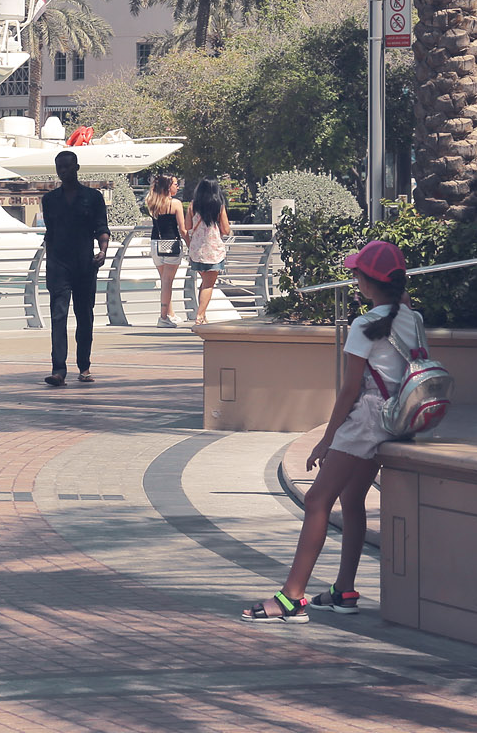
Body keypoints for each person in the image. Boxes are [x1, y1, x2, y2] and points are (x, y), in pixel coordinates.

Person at [243, 239, 424, 623]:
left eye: (357, 272)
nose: (354, 277)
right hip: (399, 418)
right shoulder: (412, 318)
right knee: (352, 499)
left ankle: (291, 597)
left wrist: (327, 439)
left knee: (316, 502)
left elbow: (350, 389)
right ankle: (344, 590)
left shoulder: (364, 325)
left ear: (367, 281)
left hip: (367, 422)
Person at [40, 149, 110, 387]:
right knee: (58, 317)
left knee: (85, 316)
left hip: (85, 264)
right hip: (59, 265)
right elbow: (50, 235)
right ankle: (58, 369)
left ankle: (84, 366)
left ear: (77, 168)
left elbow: (101, 227)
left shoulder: (93, 197)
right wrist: (49, 266)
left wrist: (103, 251)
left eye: (67, 167)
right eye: (59, 167)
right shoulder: (49, 200)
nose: (63, 171)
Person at [185, 179, 232, 325]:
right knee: (208, 285)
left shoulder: (193, 206)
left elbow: (187, 226)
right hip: (213, 250)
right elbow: (226, 229)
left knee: (204, 283)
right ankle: (200, 316)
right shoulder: (219, 206)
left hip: (197, 251)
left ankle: (202, 316)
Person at [144, 174, 186, 327]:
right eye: (175, 184)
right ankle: (163, 317)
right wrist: (190, 243)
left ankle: (170, 314)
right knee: (168, 282)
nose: (177, 186)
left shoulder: (152, 202)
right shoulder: (175, 204)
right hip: (171, 244)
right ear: (168, 186)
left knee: (164, 281)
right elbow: (182, 228)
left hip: (156, 243)